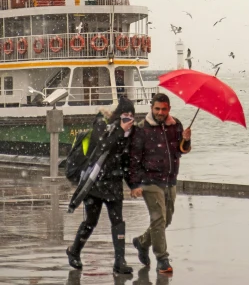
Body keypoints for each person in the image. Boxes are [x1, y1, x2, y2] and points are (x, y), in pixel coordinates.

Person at [66, 96, 136, 274]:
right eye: (124, 115)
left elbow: (125, 162)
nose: (128, 119)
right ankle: (74, 251)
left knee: (118, 221)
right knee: (91, 221)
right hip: (95, 183)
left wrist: (133, 185)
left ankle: (119, 261)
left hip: (114, 184)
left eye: (131, 116)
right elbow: (103, 146)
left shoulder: (129, 134)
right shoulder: (102, 125)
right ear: (118, 114)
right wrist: (120, 131)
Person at [129, 93, 192, 275]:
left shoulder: (176, 125)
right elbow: (134, 159)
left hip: (170, 180)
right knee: (158, 218)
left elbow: (181, 151)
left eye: (164, 109)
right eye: (157, 109)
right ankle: (162, 259)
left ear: (169, 109)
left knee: (167, 219)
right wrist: (135, 184)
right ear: (151, 108)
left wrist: (186, 139)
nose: (160, 112)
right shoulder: (141, 129)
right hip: (150, 181)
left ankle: (142, 242)